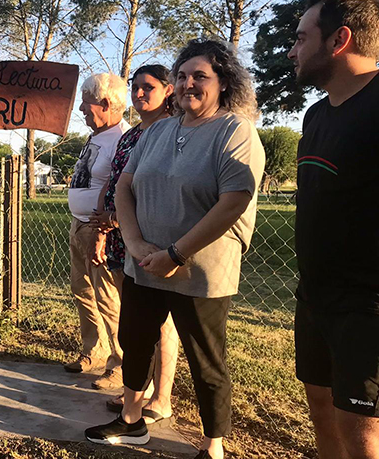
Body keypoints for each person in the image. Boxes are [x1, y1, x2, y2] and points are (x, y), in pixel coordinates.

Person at [84, 39, 265, 459]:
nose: (188, 84)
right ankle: (131, 421)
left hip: (200, 271)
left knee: (206, 361)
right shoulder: (158, 131)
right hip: (144, 262)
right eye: (182, 76)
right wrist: (133, 243)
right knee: (135, 340)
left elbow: (234, 201)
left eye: (199, 76)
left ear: (224, 82)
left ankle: (212, 446)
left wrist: (176, 254)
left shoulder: (235, 131)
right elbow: (124, 186)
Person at [288, 1, 379, 457]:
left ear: (339, 40)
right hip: (315, 296)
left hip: (368, 308)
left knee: (362, 431)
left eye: (302, 38)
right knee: (322, 410)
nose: (292, 51)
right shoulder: (316, 116)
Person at [89, 65, 180, 426]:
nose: (140, 94)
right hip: (119, 239)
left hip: (151, 240)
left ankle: (162, 397)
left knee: (162, 323)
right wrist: (104, 224)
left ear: (168, 90)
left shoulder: (173, 132)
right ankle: (134, 394)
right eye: (136, 88)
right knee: (135, 321)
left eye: (149, 87)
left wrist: (121, 221)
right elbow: (115, 181)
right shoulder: (131, 136)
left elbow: (164, 190)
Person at [64, 73, 130, 379]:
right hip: (79, 225)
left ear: (106, 103)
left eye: (86, 104)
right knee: (82, 291)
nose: (81, 111)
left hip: (100, 230)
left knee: (107, 297)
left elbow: (121, 188)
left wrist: (105, 230)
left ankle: (120, 363)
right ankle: (93, 351)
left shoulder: (123, 138)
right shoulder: (96, 135)